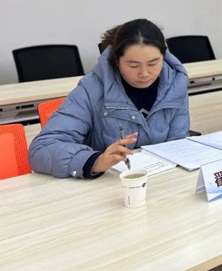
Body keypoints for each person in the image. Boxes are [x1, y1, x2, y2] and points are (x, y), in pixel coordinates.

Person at [28, 19, 189, 179]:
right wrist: (95, 161)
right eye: (133, 66)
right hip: (104, 184)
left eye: (153, 63)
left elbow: (177, 144)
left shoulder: (175, 85)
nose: (144, 73)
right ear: (116, 61)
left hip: (159, 181)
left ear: (164, 56)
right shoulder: (91, 89)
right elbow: (41, 149)